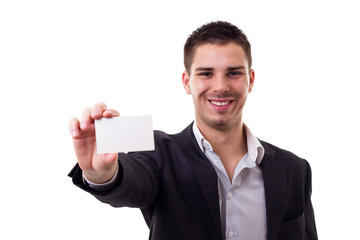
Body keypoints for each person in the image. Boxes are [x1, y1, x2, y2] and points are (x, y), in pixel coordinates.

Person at [68, 21, 318, 240]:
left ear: (251, 80)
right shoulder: (159, 154)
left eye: (233, 73)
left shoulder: (294, 169)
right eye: (206, 73)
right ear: (187, 82)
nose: (220, 86)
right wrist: (101, 174)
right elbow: (133, 181)